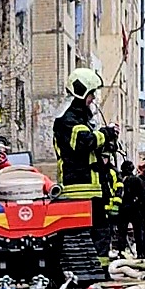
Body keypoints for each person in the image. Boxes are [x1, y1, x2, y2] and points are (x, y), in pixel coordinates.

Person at [54, 67, 118, 263]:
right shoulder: (66, 119)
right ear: (81, 92)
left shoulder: (82, 117)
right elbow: (84, 142)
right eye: (91, 94)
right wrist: (105, 134)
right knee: (87, 234)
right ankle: (89, 272)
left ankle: (99, 271)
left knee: (100, 231)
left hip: (92, 188)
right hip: (78, 188)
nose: (93, 98)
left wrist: (108, 140)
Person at [119, 156, 145, 259]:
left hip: (122, 209)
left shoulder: (120, 179)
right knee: (138, 231)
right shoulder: (136, 180)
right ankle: (140, 253)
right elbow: (143, 195)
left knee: (122, 232)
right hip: (135, 209)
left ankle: (121, 251)